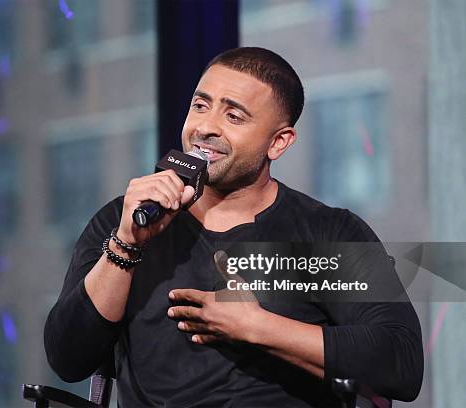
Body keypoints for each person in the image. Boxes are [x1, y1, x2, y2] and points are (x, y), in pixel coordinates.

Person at [44, 47, 423, 407]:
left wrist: (258, 328)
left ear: (278, 143)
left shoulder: (326, 233)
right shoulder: (125, 219)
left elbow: (400, 361)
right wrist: (126, 246)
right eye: (200, 106)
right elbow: (68, 358)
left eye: (234, 116)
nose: (206, 127)